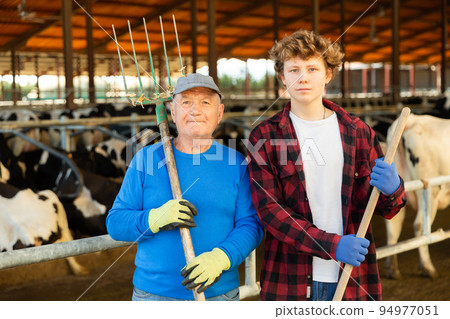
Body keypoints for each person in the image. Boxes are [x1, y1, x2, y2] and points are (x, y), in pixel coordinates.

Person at [247, 30, 406, 301]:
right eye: (294, 69)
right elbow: (270, 211)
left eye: (312, 68)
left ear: (328, 74)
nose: (303, 77)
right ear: (283, 77)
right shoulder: (265, 136)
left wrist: (394, 190)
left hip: (353, 279)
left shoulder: (358, 133)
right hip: (289, 281)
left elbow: (383, 208)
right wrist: (332, 245)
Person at [106, 73, 264, 301]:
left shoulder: (237, 164)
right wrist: (153, 219)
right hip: (153, 297)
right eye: (186, 102)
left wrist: (221, 258)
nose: (195, 110)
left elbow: (251, 225)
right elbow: (115, 223)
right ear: (173, 111)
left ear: (219, 113)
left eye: (205, 102)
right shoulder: (146, 160)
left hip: (219, 295)